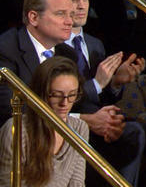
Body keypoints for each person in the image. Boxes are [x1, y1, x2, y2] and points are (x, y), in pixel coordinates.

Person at [47, 0, 146, 187]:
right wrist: (97, 84)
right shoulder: (51, 46)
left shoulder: (94, 43)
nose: (82, 6)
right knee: (133, 132)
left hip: (101, 117)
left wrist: (115, 83)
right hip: (77, 122)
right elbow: (59, 99)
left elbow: (104, 98)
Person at [0, 57, 89, 187]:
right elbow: (6, 183)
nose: (65, 103)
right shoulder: (17, 129)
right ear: (41, 93)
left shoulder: (80, 128)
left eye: (72, 95)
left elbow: (77, 182)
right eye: (56, 95)